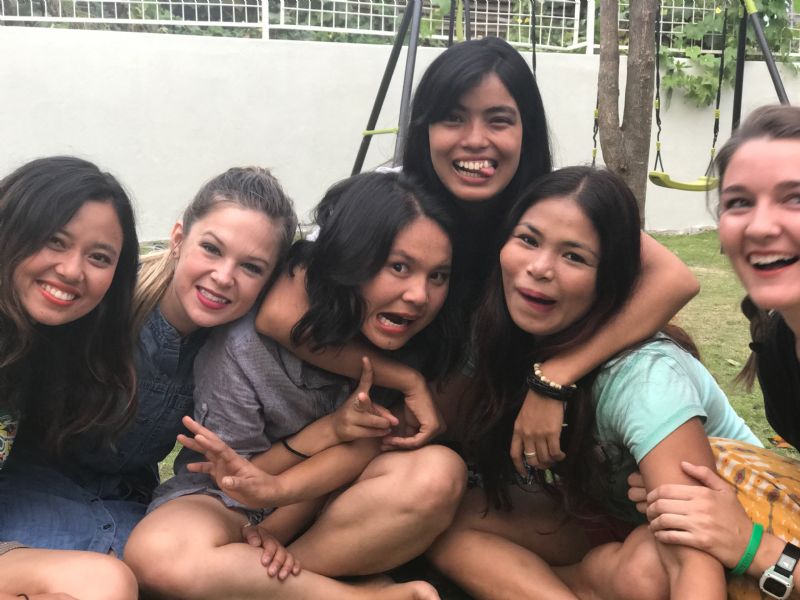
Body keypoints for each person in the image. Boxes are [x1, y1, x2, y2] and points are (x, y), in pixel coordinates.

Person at [256, 37, 700, 463]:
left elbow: (674, 279)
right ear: (425, 128)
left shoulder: (544, 206)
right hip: (357, 405)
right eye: (452, 118)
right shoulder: (391, 197)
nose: (474, 139)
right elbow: (278, 313)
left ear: (526, 130)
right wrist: (405, 380)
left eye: (498, 120)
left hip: (468, 420)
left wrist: (556, 377)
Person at [124, 171, 465, 599]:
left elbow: (371, 448)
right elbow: (237, 477)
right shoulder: (242, 346)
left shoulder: (422, 345)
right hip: (234, 499)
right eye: (399, 267)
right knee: (157, 553)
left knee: (438, 473)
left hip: (337, 504)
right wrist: (271, 516)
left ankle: (262, 583)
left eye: (438, 276)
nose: (418, 295)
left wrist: (275, 533)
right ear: (352, 257)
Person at [426, 166, 760, 600]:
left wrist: (551, 383)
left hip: (739, 535)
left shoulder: (645, 377)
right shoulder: (502, 336)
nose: (539, 268)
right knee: (451, 521)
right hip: (616, 516)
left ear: (610, 281)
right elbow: (439, 418)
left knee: (647, 569)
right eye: (528, 240)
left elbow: (694, 558)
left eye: (574, 257)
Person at [0, 165, 297, 557]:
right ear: (178, 239)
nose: (224, 276)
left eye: (251, 267)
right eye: (211, 248)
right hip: (33, 488)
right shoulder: (98, 304)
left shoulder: (241, 355)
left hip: (130, 503)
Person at [630, 105, 800, 600]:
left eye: (794, 198)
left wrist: (754, 548)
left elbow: (750, 550)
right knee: (702, 477)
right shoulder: (776, 342)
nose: (761, 227)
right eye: (740, 202)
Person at [0, 156, 139, 599]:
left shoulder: (43, 347)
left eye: (99, 257)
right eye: (55, 241)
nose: (72, 270)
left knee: (104, 583)